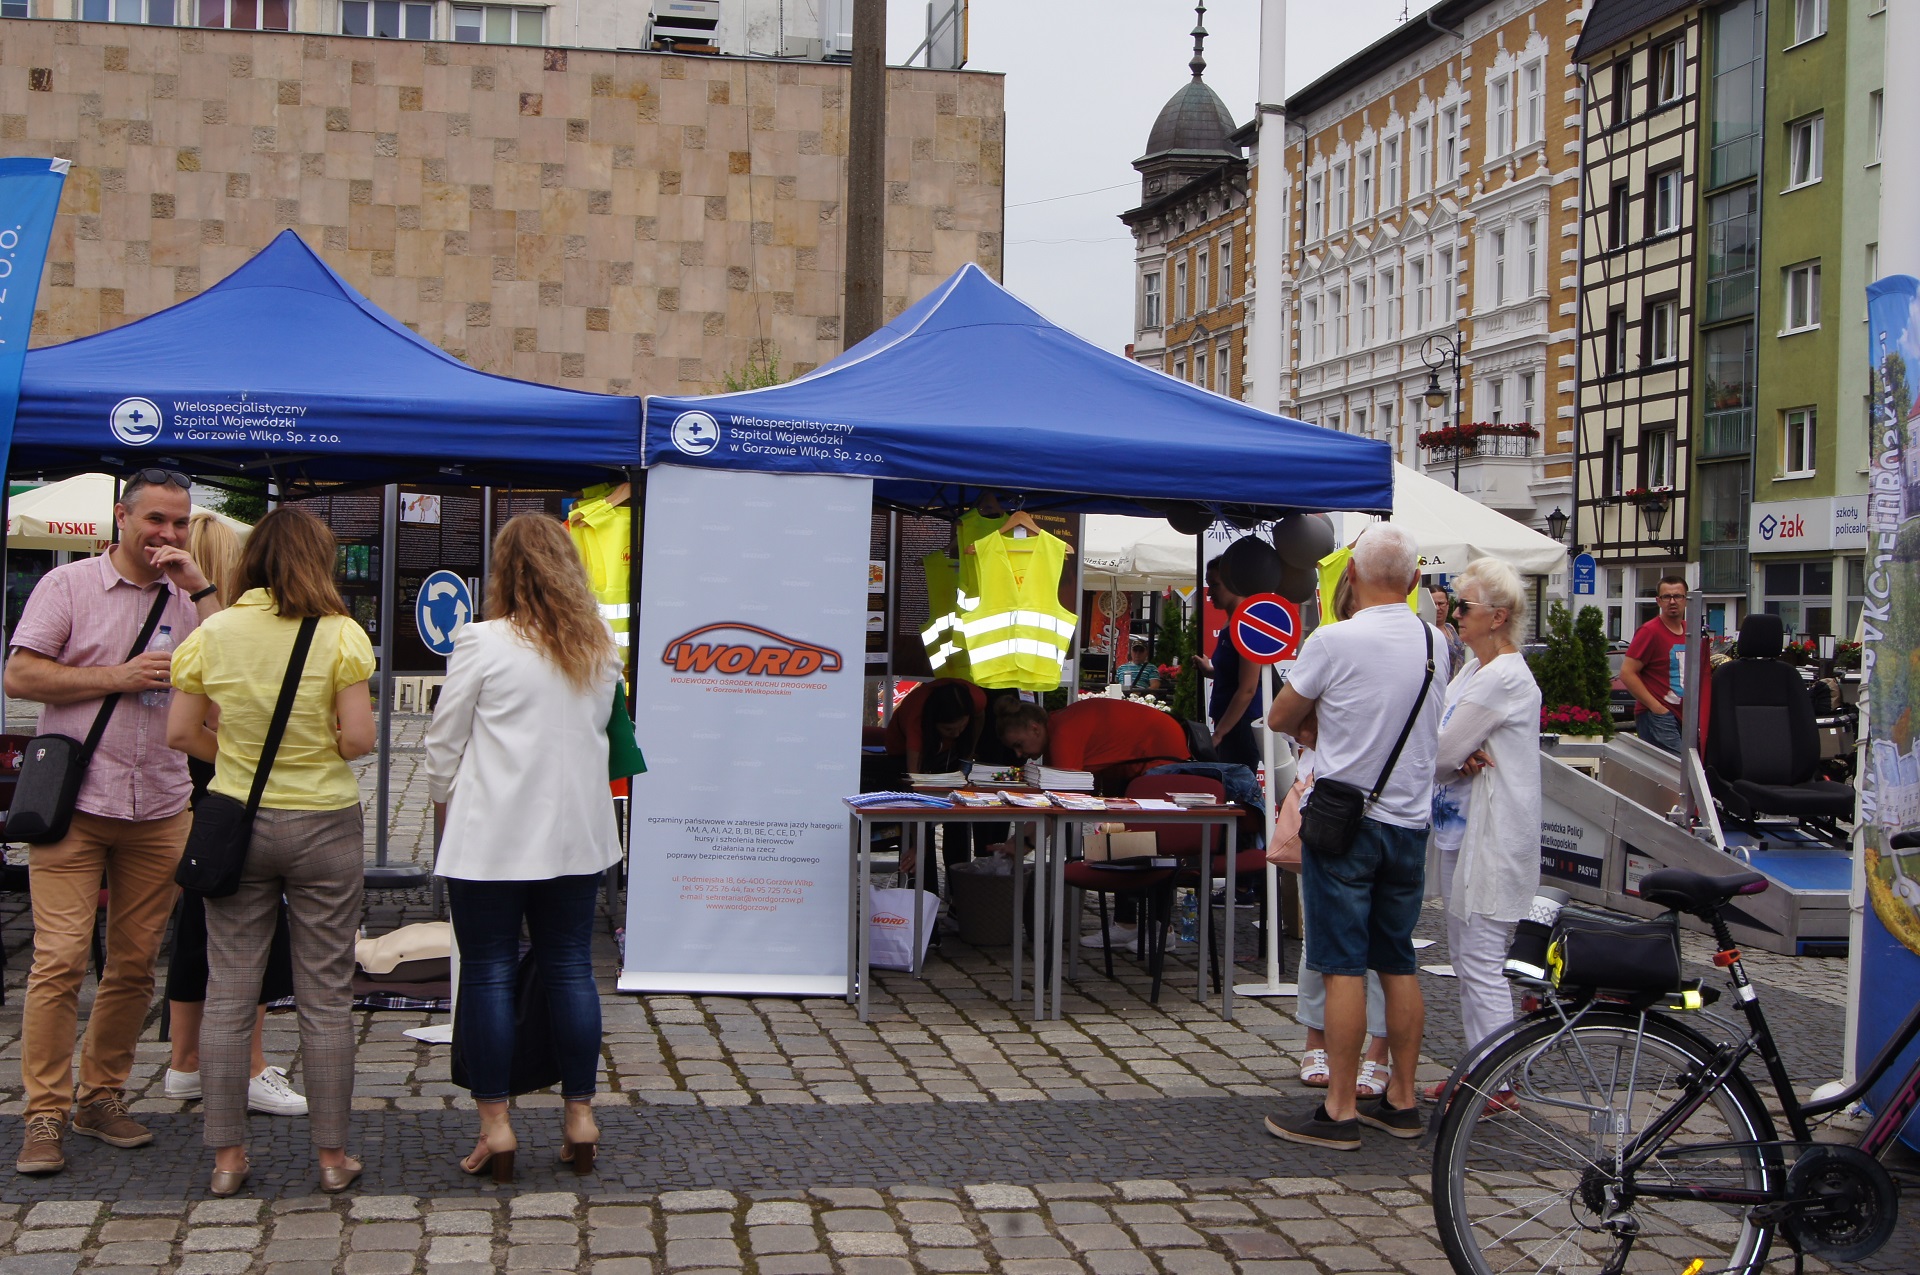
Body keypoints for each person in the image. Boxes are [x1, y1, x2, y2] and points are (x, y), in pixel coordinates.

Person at [6, 469, 223, 1176]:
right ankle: (43, 1112)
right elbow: (21, 675)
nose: (166, 533)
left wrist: (201, 586)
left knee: (132, 965)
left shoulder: (189, 601)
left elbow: (234, 666)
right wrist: (117, 676)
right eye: (155, 519)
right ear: (122, 517)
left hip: (159, 804)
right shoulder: (65, 587)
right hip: (77, 801)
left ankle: (101, 1096)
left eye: (179, 522)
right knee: (61, 959)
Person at [167, 507, 376, 1196]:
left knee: (230, 990)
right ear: (319, 561)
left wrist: (236, 754)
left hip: (239, 821)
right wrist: (320, 745)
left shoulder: (215, 632)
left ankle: (227, 1158)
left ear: (253, 559)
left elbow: (181, 732)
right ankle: (331, 1155)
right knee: (325, 994)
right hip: (323, 822)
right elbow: (359, 738)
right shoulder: (341, 634)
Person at [424, 514, 624, 1184]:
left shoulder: (481, 641)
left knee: (487, 972)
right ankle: (580, 1116)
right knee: (571, 968)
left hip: (493, 836)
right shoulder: (600, 646)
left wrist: (442, 798)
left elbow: (444, 742)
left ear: (504, 571)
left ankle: (497, 1125)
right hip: (577, 834)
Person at [1264, 523, 1447, 1149]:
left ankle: (1339, 1108)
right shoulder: (1436, 642)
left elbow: (1281, 716)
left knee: (1341, 965)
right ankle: (1400, 1097)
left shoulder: (1333, 639)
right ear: (1416, 581)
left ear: (1350, 578)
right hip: (1408, 825)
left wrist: (1325, 729)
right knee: (1397, 961)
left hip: (1344, 823)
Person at [164, 511, 307, 1118]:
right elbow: (209, 721)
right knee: (246, 931)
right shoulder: (220, 626)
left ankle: (185, 1062)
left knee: (197, 921)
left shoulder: (182, 618)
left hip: (184, 796)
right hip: (227, 791)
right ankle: (247, 1067)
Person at [1425, 558, 1542, 1096]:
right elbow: (1444, 742)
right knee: (1470, 959)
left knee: (1481, 961)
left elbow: (1440, 748)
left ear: (1497, 616)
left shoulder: (1502, 676)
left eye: (1463, 604)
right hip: (1462, 831)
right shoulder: (1473, 669)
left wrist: (1453, 753)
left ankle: (1494, 1082)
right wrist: (1453, 753)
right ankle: (1483, 1073)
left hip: (1491, 839)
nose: (1453, 611)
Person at [996, 696, 1189, 793]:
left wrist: (1022, 844)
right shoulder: (1057, 727)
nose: (1019, 754)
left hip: (1161, 751)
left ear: (1034, 728)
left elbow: (1065, 798)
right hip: (1152, 747)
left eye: (1019, 744)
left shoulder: (1063, 733)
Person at [1197, 559, 1262, 769]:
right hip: (1229, 723)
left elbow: (1248, 689)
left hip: (1241, 726)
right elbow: (1237, 675)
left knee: (1237, 791)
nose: (1209, 593)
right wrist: (1210, 671)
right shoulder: (1232, 622)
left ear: (1234, 584)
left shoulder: (1247, 623)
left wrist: (1219, 734)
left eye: (1215, 585)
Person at [1621, 575, 1689, 754]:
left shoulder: (1691, 631)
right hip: (1658, 715)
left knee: (1687, 771)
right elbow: (1627, 673)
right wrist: (1656, 707)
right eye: (1667, 597)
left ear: (1686, 600)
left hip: (1685, 715)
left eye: (1678, 596)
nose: (1672, 602)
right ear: (1658, 601)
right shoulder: (1650, 631)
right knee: (1676, 771)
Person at [1430, 586, 1467, 677]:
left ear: (1448, 604)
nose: (1438, 608)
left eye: (1441, 603)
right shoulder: (1427, 632)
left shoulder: (1450, 628)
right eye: (1434, 604)